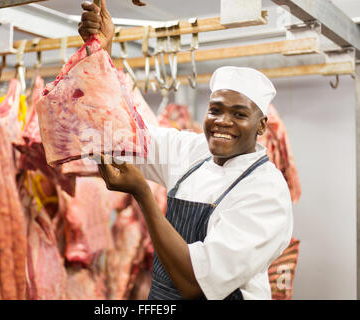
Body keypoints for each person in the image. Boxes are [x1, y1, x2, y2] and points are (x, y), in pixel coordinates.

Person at [79, 0, 293, 300]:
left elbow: (196, 284)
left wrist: (142, 194)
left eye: (239, 114)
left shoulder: (266, 193)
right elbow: (117, 137)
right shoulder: (191, 151)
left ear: (261, 126)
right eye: (215, 109)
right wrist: (101, 49)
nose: (222, 121)